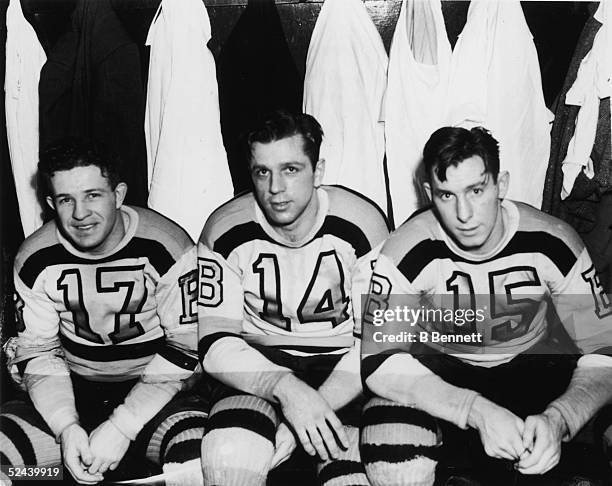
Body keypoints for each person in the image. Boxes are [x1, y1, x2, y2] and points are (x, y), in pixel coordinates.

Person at [360, 126, 612, 485]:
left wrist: (561, 418)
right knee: (391, 446)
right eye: (447, 195)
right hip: (447, 376)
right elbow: (379, 360)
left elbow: (603, 349)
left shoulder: (552, 241)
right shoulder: (406, 249)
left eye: (476, 191)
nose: (464, 213)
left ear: (501, 184)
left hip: (534, 371)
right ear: (428, 193)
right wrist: (473, 411)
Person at [197, 110, 389, 485]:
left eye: (291, 169)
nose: (275, 189)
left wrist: (313, 408)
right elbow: (216, 343)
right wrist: (286, 390)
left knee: (361, 477)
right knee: (229, 457)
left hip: (344, 369)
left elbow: (377, 343)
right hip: (259, 366)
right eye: (262, 172)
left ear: (318, 172)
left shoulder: (362, 224)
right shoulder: (224, 228)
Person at [0, 138, 206, 484]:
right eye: (67, 199)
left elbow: (187, 348)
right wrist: (66, 427)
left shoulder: (166, 245)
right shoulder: (35, 256)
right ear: (51, 203)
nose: (80, 213)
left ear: (119, 194)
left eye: (93, 195)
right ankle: (50, 476)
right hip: (74, 387)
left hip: (157, 391)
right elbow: (38, 351)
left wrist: (122, 426)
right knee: (9, 468)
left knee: (197, 465)